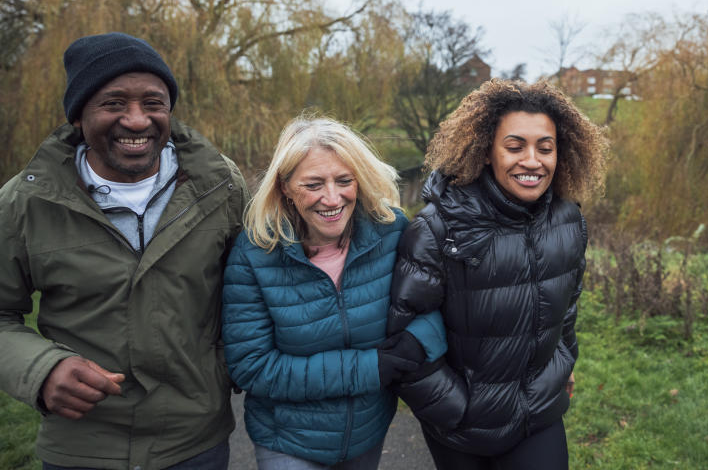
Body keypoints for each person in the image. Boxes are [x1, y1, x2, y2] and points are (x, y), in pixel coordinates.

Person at [0, 32, 249, 469]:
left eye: (153, 103)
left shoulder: (221, 187)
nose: (136, 121)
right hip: (81, 448)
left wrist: (223, 367)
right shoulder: (24, 203)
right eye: (113, 103)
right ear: (78, 116)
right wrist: (40, 369)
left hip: (197, 444)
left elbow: (251, 290)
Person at [388, 79, 608, 470]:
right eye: (514, 146)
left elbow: (567, 308)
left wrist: (562, 363)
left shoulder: (568, 220)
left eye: (545, 147)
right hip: (462, 429)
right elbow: (408, 336)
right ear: (487, 152)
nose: (532, 161)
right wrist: (455, 407)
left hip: (538, 415)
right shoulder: (438, 228)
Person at [221, 116, 447, 469]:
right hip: (288, 440)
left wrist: (418, 342)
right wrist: (370, 368)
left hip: (367, 432)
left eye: (344, 181)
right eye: (313, 184)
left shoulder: (392, 231)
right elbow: (252, 366)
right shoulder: (255, 254)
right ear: (285, 187)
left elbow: (433, 303)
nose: (332, 198)